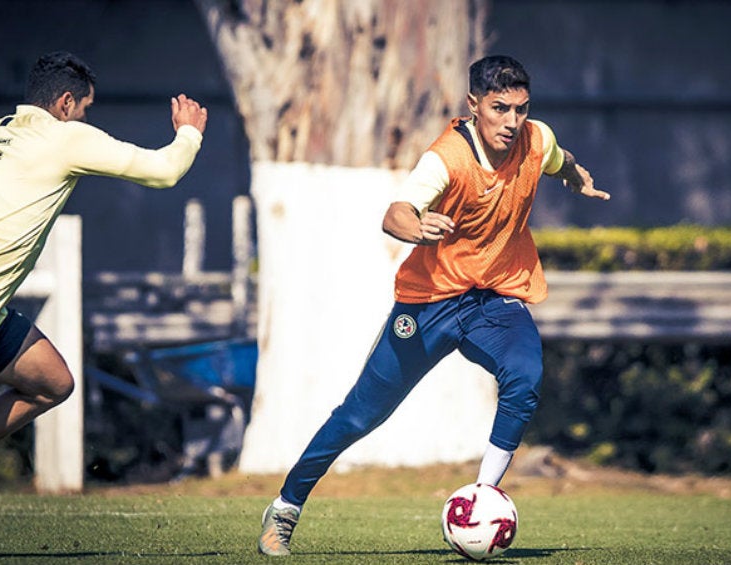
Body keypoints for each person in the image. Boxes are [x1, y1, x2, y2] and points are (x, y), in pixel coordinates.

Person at [256, 54, 610, 556]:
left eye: (521, 109)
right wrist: (416, 226)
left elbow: (558, 157)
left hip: (494, 299)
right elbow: (395, 213)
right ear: (473, 106)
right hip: (430, 303)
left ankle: (484, 495)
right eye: (500, 108)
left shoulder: (537, 138)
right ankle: (286, 508)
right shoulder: (446, 157)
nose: (512, 122)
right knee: (360, 416)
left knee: (525, 376)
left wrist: (575, 175)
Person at [0, 51, 208, 524]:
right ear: (67, 103)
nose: (87, 119)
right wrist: (189, 132)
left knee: (52, 383)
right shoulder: (65, 137)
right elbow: (163, 171)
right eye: (87, 109)